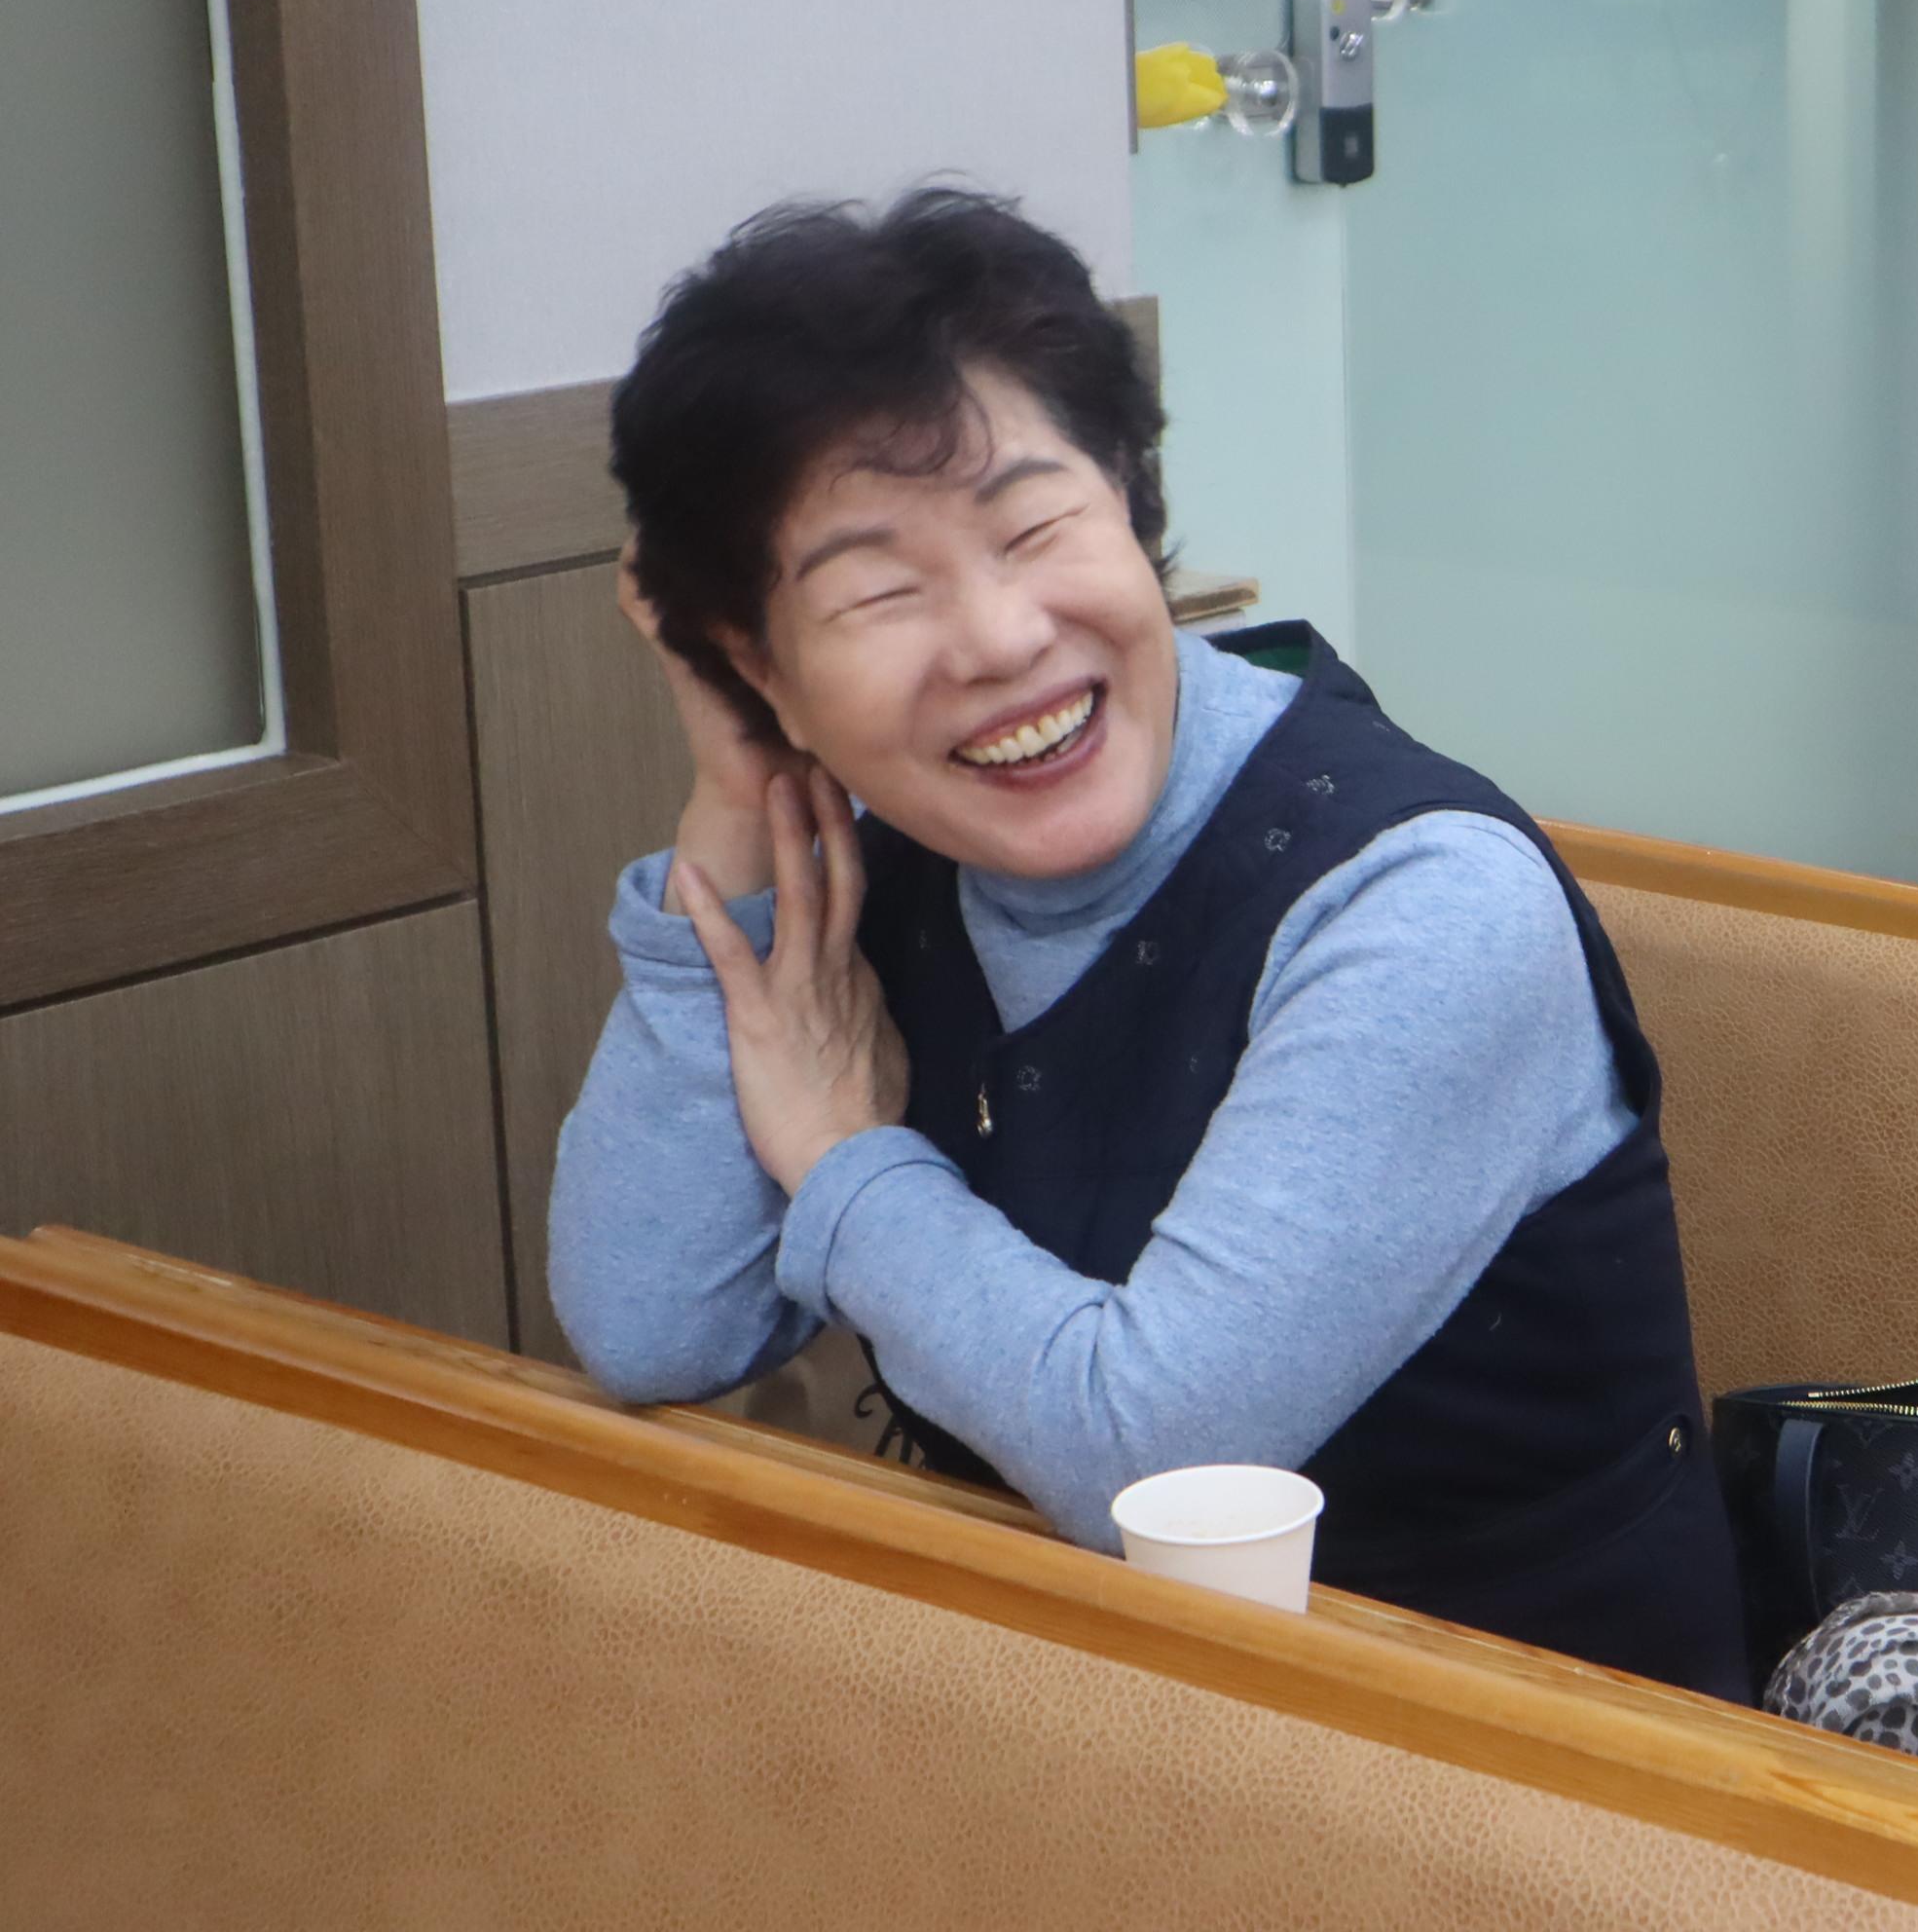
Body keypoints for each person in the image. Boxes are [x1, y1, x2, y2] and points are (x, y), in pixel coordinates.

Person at [550, 189, 1744, 1697]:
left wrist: (844, 1165)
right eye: (878, 594)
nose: (1000, 639)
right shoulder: (885, 846)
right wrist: (739, 802)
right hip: (1088, 1717)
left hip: (1524, 1760)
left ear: (1130, 502)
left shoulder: (1423, 905)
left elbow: (1153, 1465)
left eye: (1034, 526)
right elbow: (651, 1325)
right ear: (763, 667)